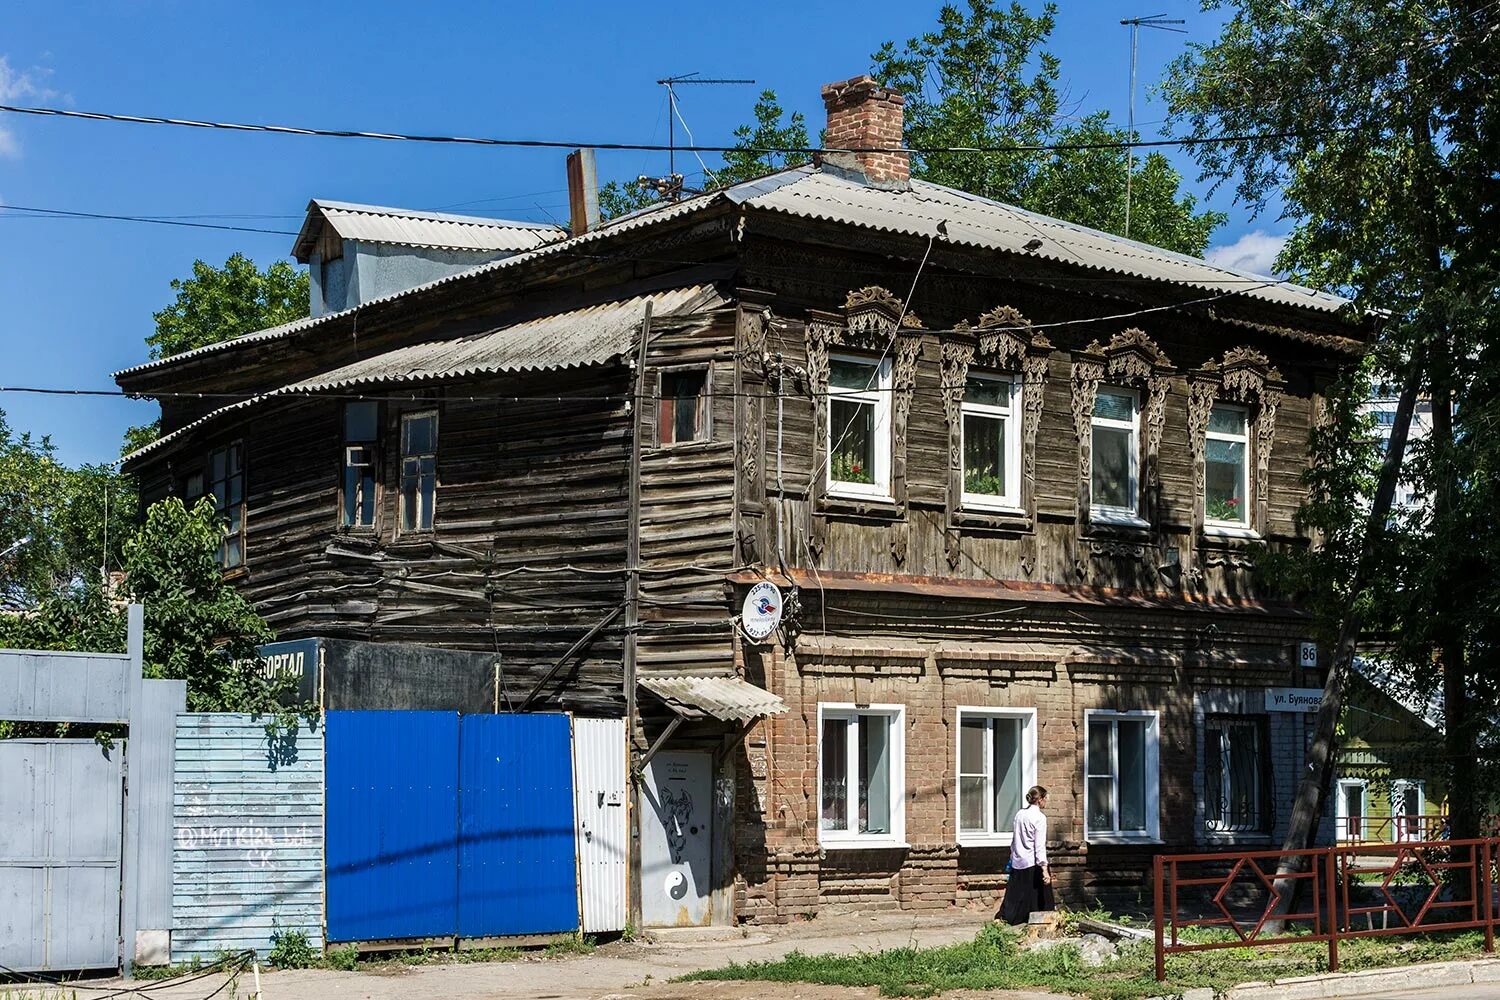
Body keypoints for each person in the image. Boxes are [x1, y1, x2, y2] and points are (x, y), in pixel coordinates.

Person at [1000, 785, 1054, 924]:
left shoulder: (1020, 814)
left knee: (1016, 893)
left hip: (1018, 860)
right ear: (1040, 799)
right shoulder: (1039, 818)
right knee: (1039, 897)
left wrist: (1012, 856)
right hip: (1032, 861)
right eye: (1046, 798)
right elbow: (1039, 845)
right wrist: (1044, 868)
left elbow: (1014, 839)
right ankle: (1041, 920)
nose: (1046, 802)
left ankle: (1009, 918)